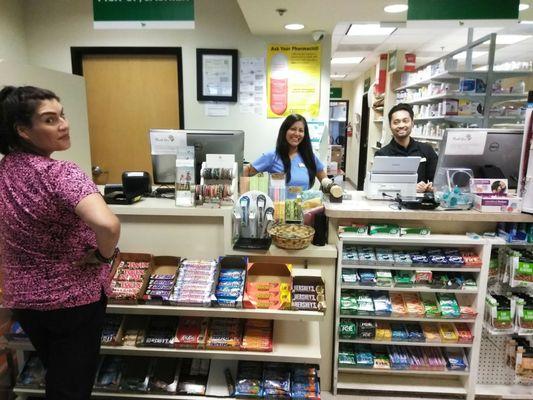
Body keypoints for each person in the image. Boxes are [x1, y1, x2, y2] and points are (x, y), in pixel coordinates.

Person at [0, 86, 121, 400]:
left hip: (24, 300)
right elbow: (107, 224)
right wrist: (103, 256)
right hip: (72, 300)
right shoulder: (61, 173)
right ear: (23, 130)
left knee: (58, 372)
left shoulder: (4, 171)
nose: (64, 124)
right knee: (71, 388)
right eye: (50, 120)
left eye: (62, 115)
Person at [244, 113, 328, 192]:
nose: (297, 133)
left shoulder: (309, 157)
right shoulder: (272, 156)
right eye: (293, 129)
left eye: (301, 130)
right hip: (279, 206)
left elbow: (325, 181)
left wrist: (331, 189)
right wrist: (244, 196)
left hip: (305, 207)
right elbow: (247, 170)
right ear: (284, 131)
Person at [375, 103, 438, 193]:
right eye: (396, 122)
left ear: (412, 123)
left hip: (421, 204)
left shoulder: (427, 150)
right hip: (391, 203)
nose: (401, 125)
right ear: (390, 126)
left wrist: (431, 187)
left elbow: (437, 179)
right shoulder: (382, 154)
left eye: (405, 121)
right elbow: (378, 185)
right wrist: (410, 189)